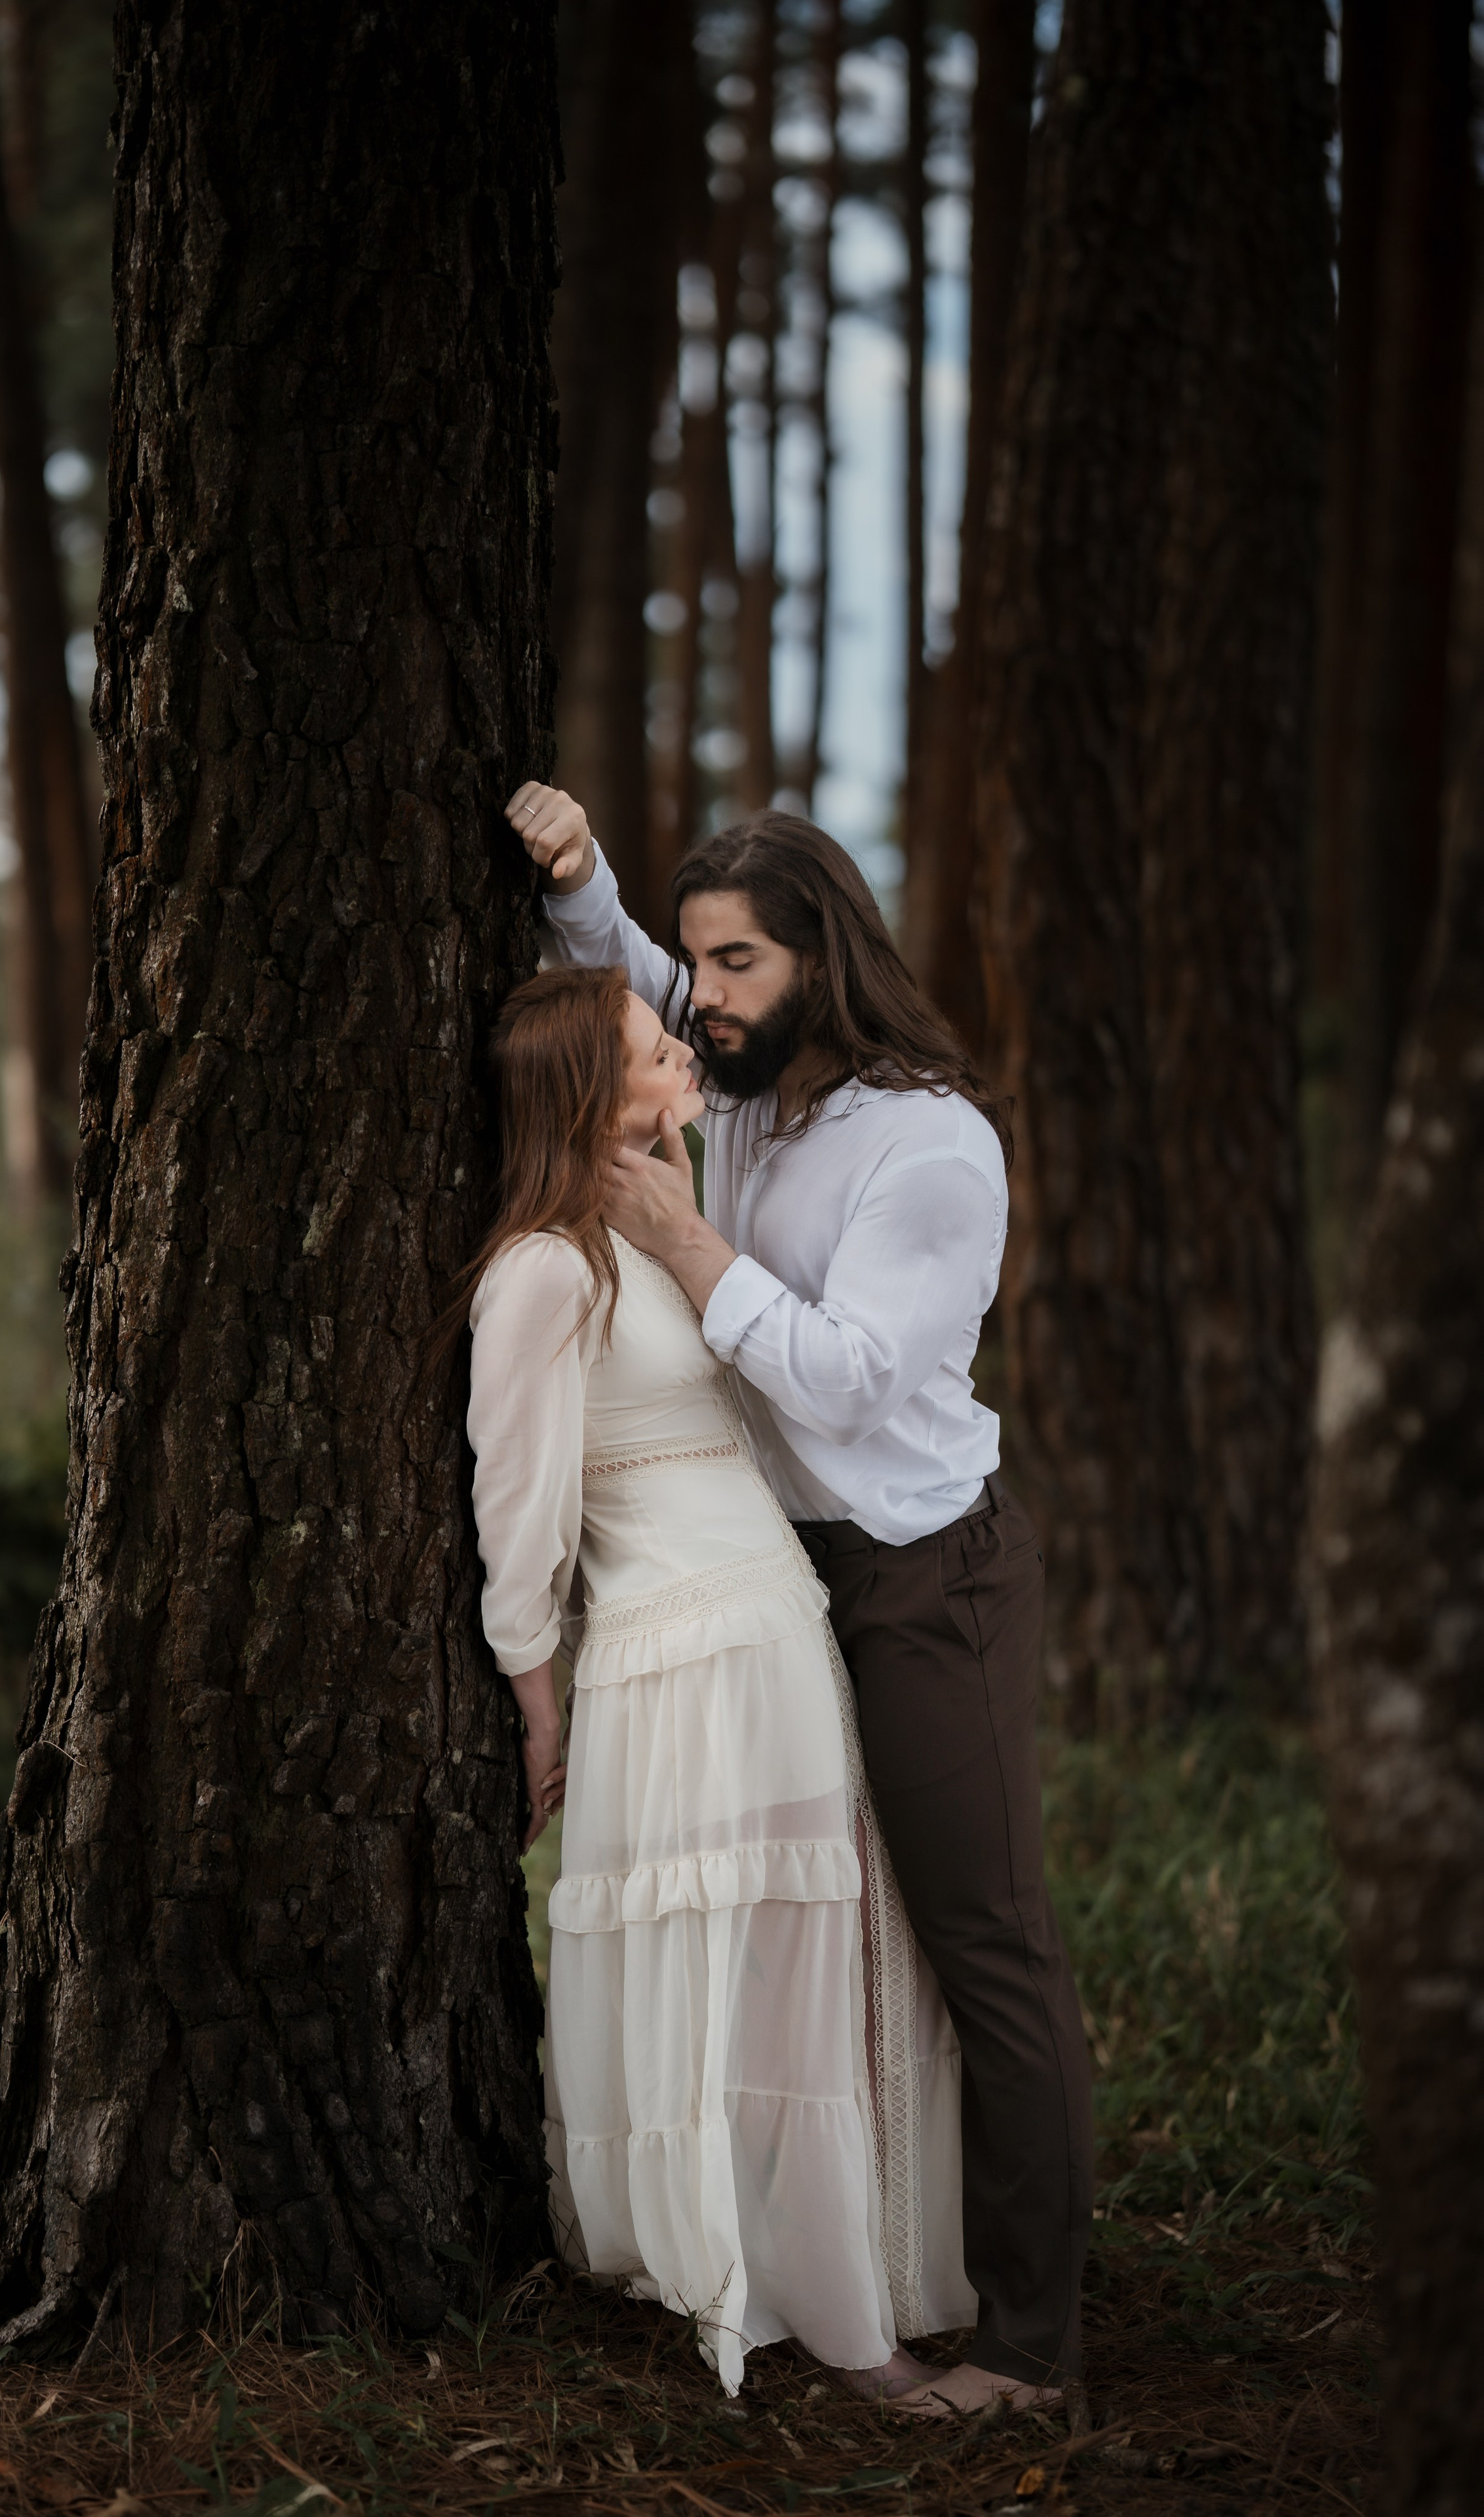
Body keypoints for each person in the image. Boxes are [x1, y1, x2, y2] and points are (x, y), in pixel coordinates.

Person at [505, 781, 1095, 2416]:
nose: (705, 996)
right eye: (696, 964)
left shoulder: (932, 1145)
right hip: (785, 1589)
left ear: (825, 958)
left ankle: (1031, 2346)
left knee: (982, 1946)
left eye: (740, 962)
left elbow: (843, 1385)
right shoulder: (746, 1090)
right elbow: (619, 967)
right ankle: (830, 2263)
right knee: (849, 1958)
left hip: (923, 1581)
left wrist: (688, 1251)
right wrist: (580, 876)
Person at [456, 962, 977, 2402]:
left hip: (770, 1639)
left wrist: (683, 1204)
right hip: (676, 1660)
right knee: (739, 1986)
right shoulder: (543, 1270)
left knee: (810, 1974)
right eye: (647, 1046)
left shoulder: (669, 1243)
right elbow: (520, 1506)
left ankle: (837, 2301)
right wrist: (534, 1695)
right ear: (588, 1094)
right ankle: (809, 2324)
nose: (683, 1046)